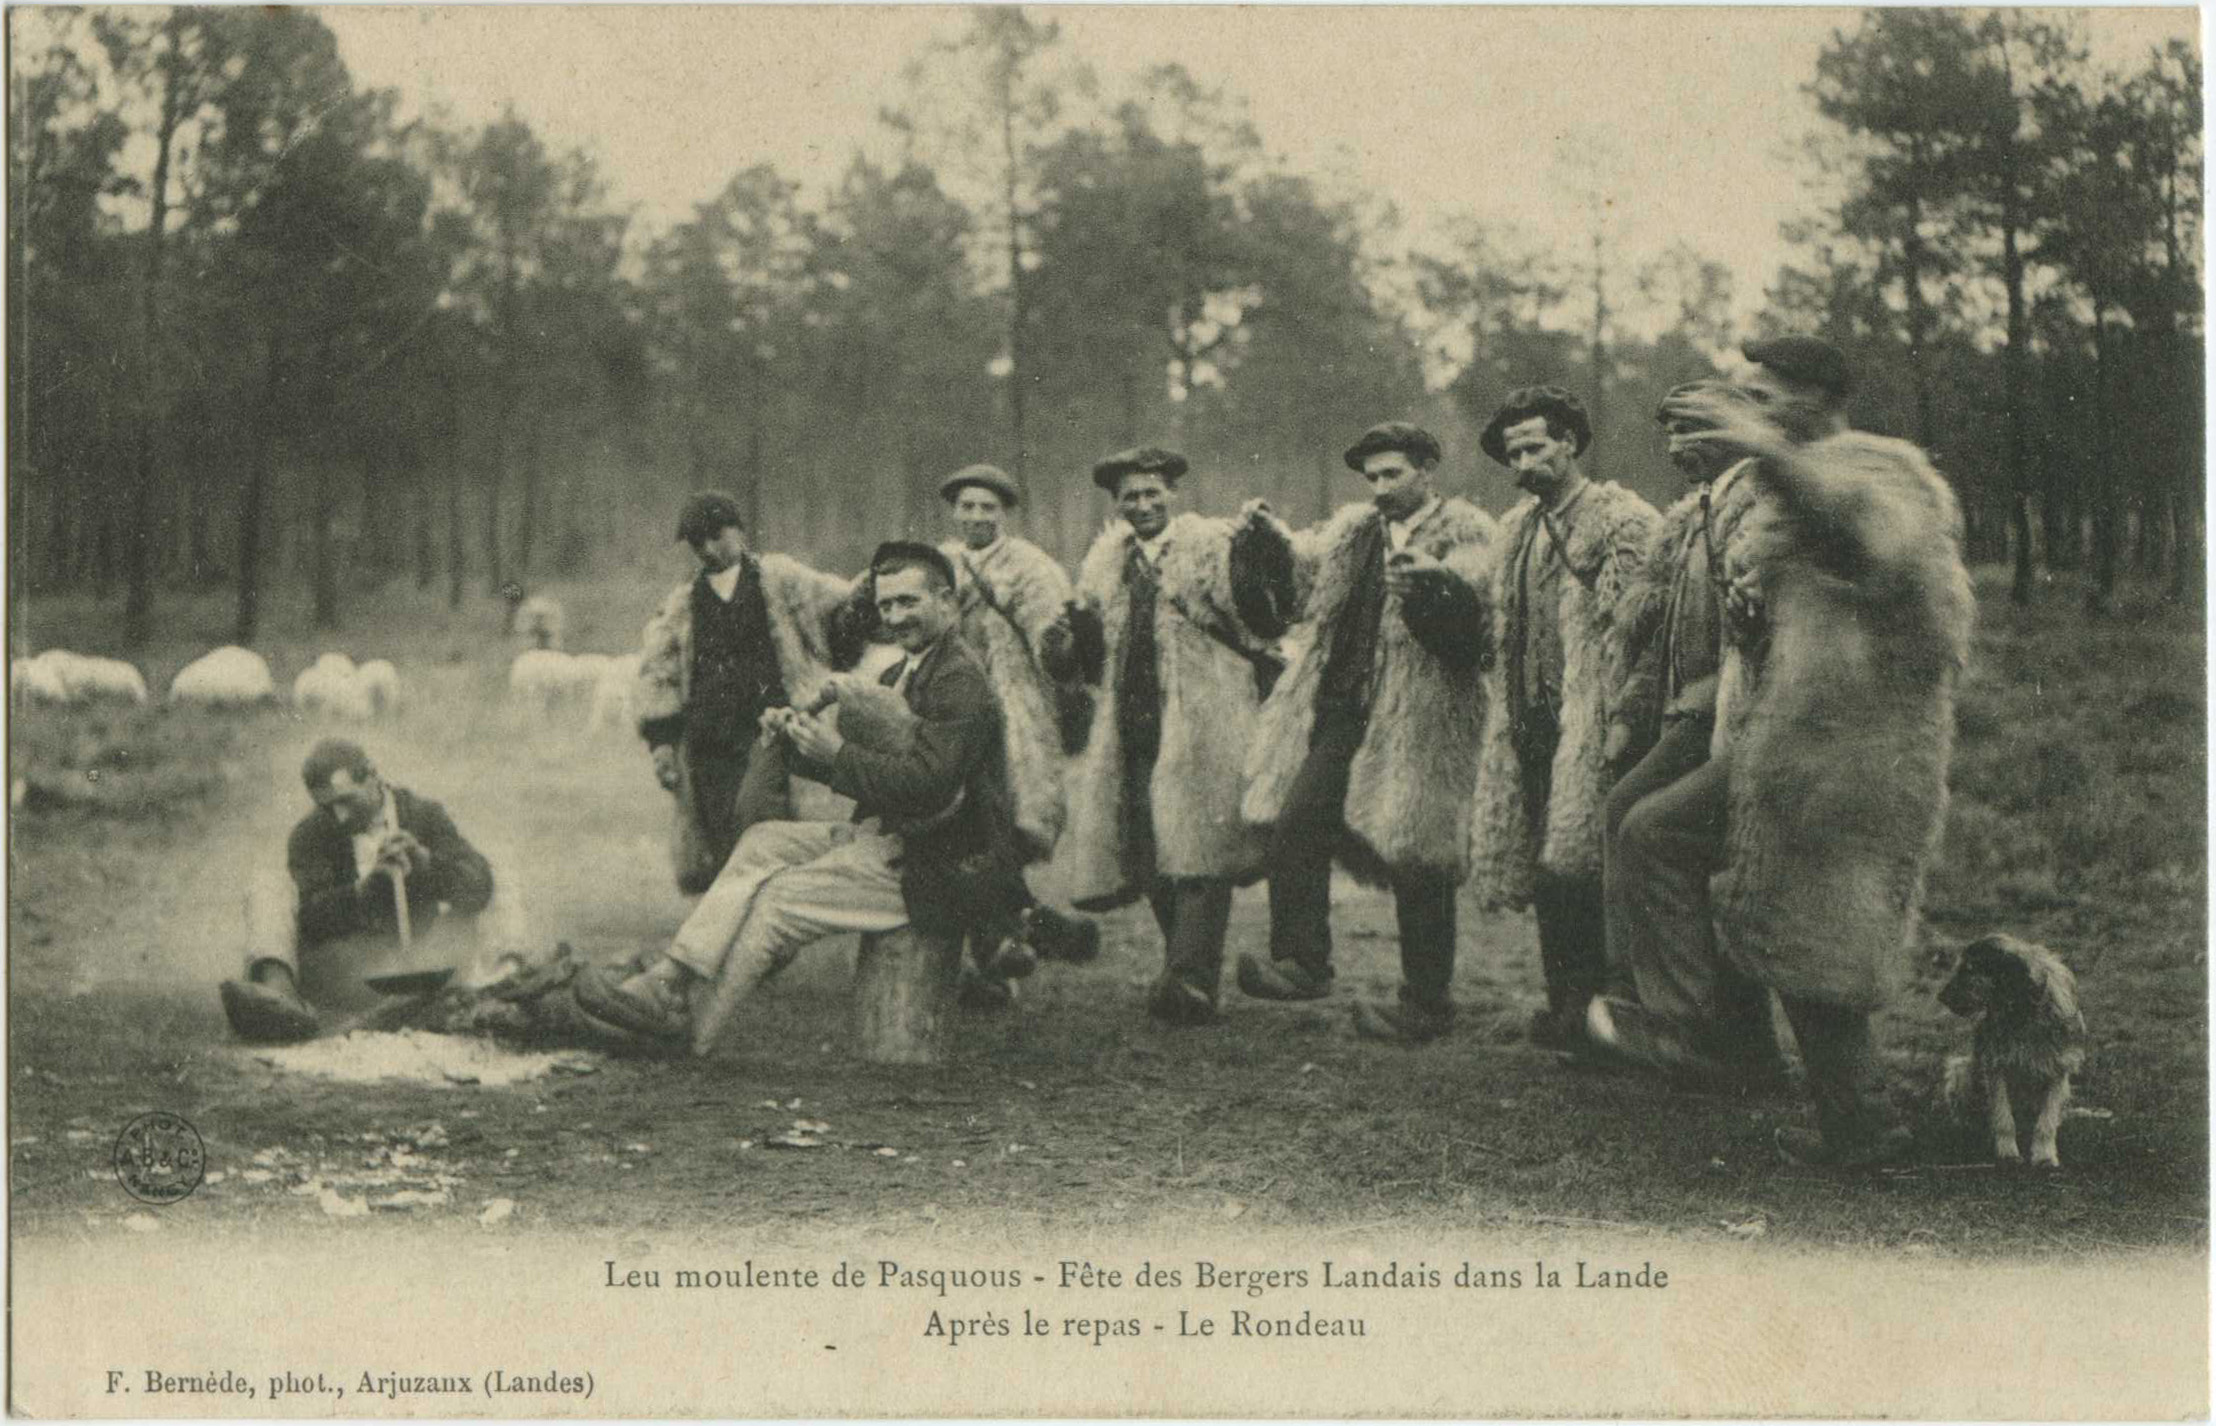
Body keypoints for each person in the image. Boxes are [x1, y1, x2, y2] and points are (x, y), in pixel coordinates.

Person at [1586, 336, 1974, 1168]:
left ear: (1814, 395)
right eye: (1747, 397)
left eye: (1766, 397)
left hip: (1859, 754)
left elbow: (1868, 542)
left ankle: (1858, 1127)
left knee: (1816, 932)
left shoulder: (1881, 469)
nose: (1751, 410)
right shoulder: (1782, 485)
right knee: (1658, 834)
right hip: (1783, 741)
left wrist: (1763, 448)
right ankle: (1703, 1035)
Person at [576, 542, 1024, 1051]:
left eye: (908, 602)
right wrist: (792, 744)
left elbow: (928, 783)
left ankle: (689, 1034)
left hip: (947, 868)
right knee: (764, 842)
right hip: (903, 844)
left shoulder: (961, 681)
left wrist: (833, 755)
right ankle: (669, 984)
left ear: (946, 601)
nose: (895, 617)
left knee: (778, 901)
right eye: (885, 606)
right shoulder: (903, 672)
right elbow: (869, 771)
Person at [1228, 422, 1496, 1043]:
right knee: (1295, 821)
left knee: (1416, 854)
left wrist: (1437, 586)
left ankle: (1426, 1002)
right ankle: (1303, 962)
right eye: (1371, 477)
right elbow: (1303, 580)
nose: (1379, 488)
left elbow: (1477, 611)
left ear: (1427, 471)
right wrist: (1268, 540)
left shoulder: (1466, 531)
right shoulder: (1355, 532)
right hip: (1342, 708)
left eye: (1392, 475)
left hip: (1422, 718)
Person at [1038, 447, 1269, 1024]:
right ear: (1116, 506)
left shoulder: (1210, 546)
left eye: (1151, 493)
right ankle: (1182, 965)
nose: (1142, 505)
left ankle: (1192, 979)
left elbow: (1255, 617)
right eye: (1130, 498)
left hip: (1206, 718)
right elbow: (1089, 660)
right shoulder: (1105, 564)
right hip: (1133, 726)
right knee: (1150, 849)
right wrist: (1065, 646)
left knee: (1201, 847)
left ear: (1171, 494)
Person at [1596, 380, 1780, 1082]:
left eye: (1691, 431)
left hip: (1731, 710)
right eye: (1668, 434)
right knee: (1652, 832)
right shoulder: (1694, 514)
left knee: (1644, 826)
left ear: (1732, 430)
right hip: (1690, 708)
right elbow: (1663, 630)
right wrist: (1632, 710)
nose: (1676, 448)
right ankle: (1729, 1036)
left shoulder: (1755, 502)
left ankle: (1682, 1021)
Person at [1466, 386, 1659, 1050]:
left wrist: (1622, 717)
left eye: (1536, 446)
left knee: (1597, 871)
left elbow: (1643, 629)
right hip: (1532, 721)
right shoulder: (1516, 529)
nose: (1524, 462)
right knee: (1552, 870)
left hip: (1601, 723)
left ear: (1570, 443)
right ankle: (1567, 1005)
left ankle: (1617, 1015)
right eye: (1513, 452)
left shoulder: (1620, 519)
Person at [632, 491, 872, 893]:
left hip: (772, 730)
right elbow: (658, 673)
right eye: (696, 541)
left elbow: (838, 613)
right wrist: (661, 742)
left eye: (715, 535)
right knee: (721, 835)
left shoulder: (781, 579)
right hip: (710, 741)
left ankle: (774, 907)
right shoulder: (682, 604)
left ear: (738, 531)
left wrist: (864, 601)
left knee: (762, 822)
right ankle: (737, 918)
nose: (708, 549)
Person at [933, 463, 1101, 981]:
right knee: (951, 824)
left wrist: (1059, 645)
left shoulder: (1030, 566)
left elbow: (1053, 646)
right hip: (946, 707)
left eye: (988, 507)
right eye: (968, 506)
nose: (977, 516)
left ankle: (999, 944)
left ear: (1004, 513)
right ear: (954, 511)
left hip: (1012, 712)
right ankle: (1017, 929)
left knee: (997, 822)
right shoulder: (937, 564)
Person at [218, 739, 499, 1042]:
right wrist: (363, 892)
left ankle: (507, 979)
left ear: (373, 777)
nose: (338, 816)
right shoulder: (310, 833)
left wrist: (427, 863)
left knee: (498, 866)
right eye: (326, 806)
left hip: (427, 964)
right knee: (268, 883)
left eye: (346, 800)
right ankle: (278, 997)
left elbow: (478, 888)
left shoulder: (424, 815)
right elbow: (311, 920)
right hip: (350, 972)